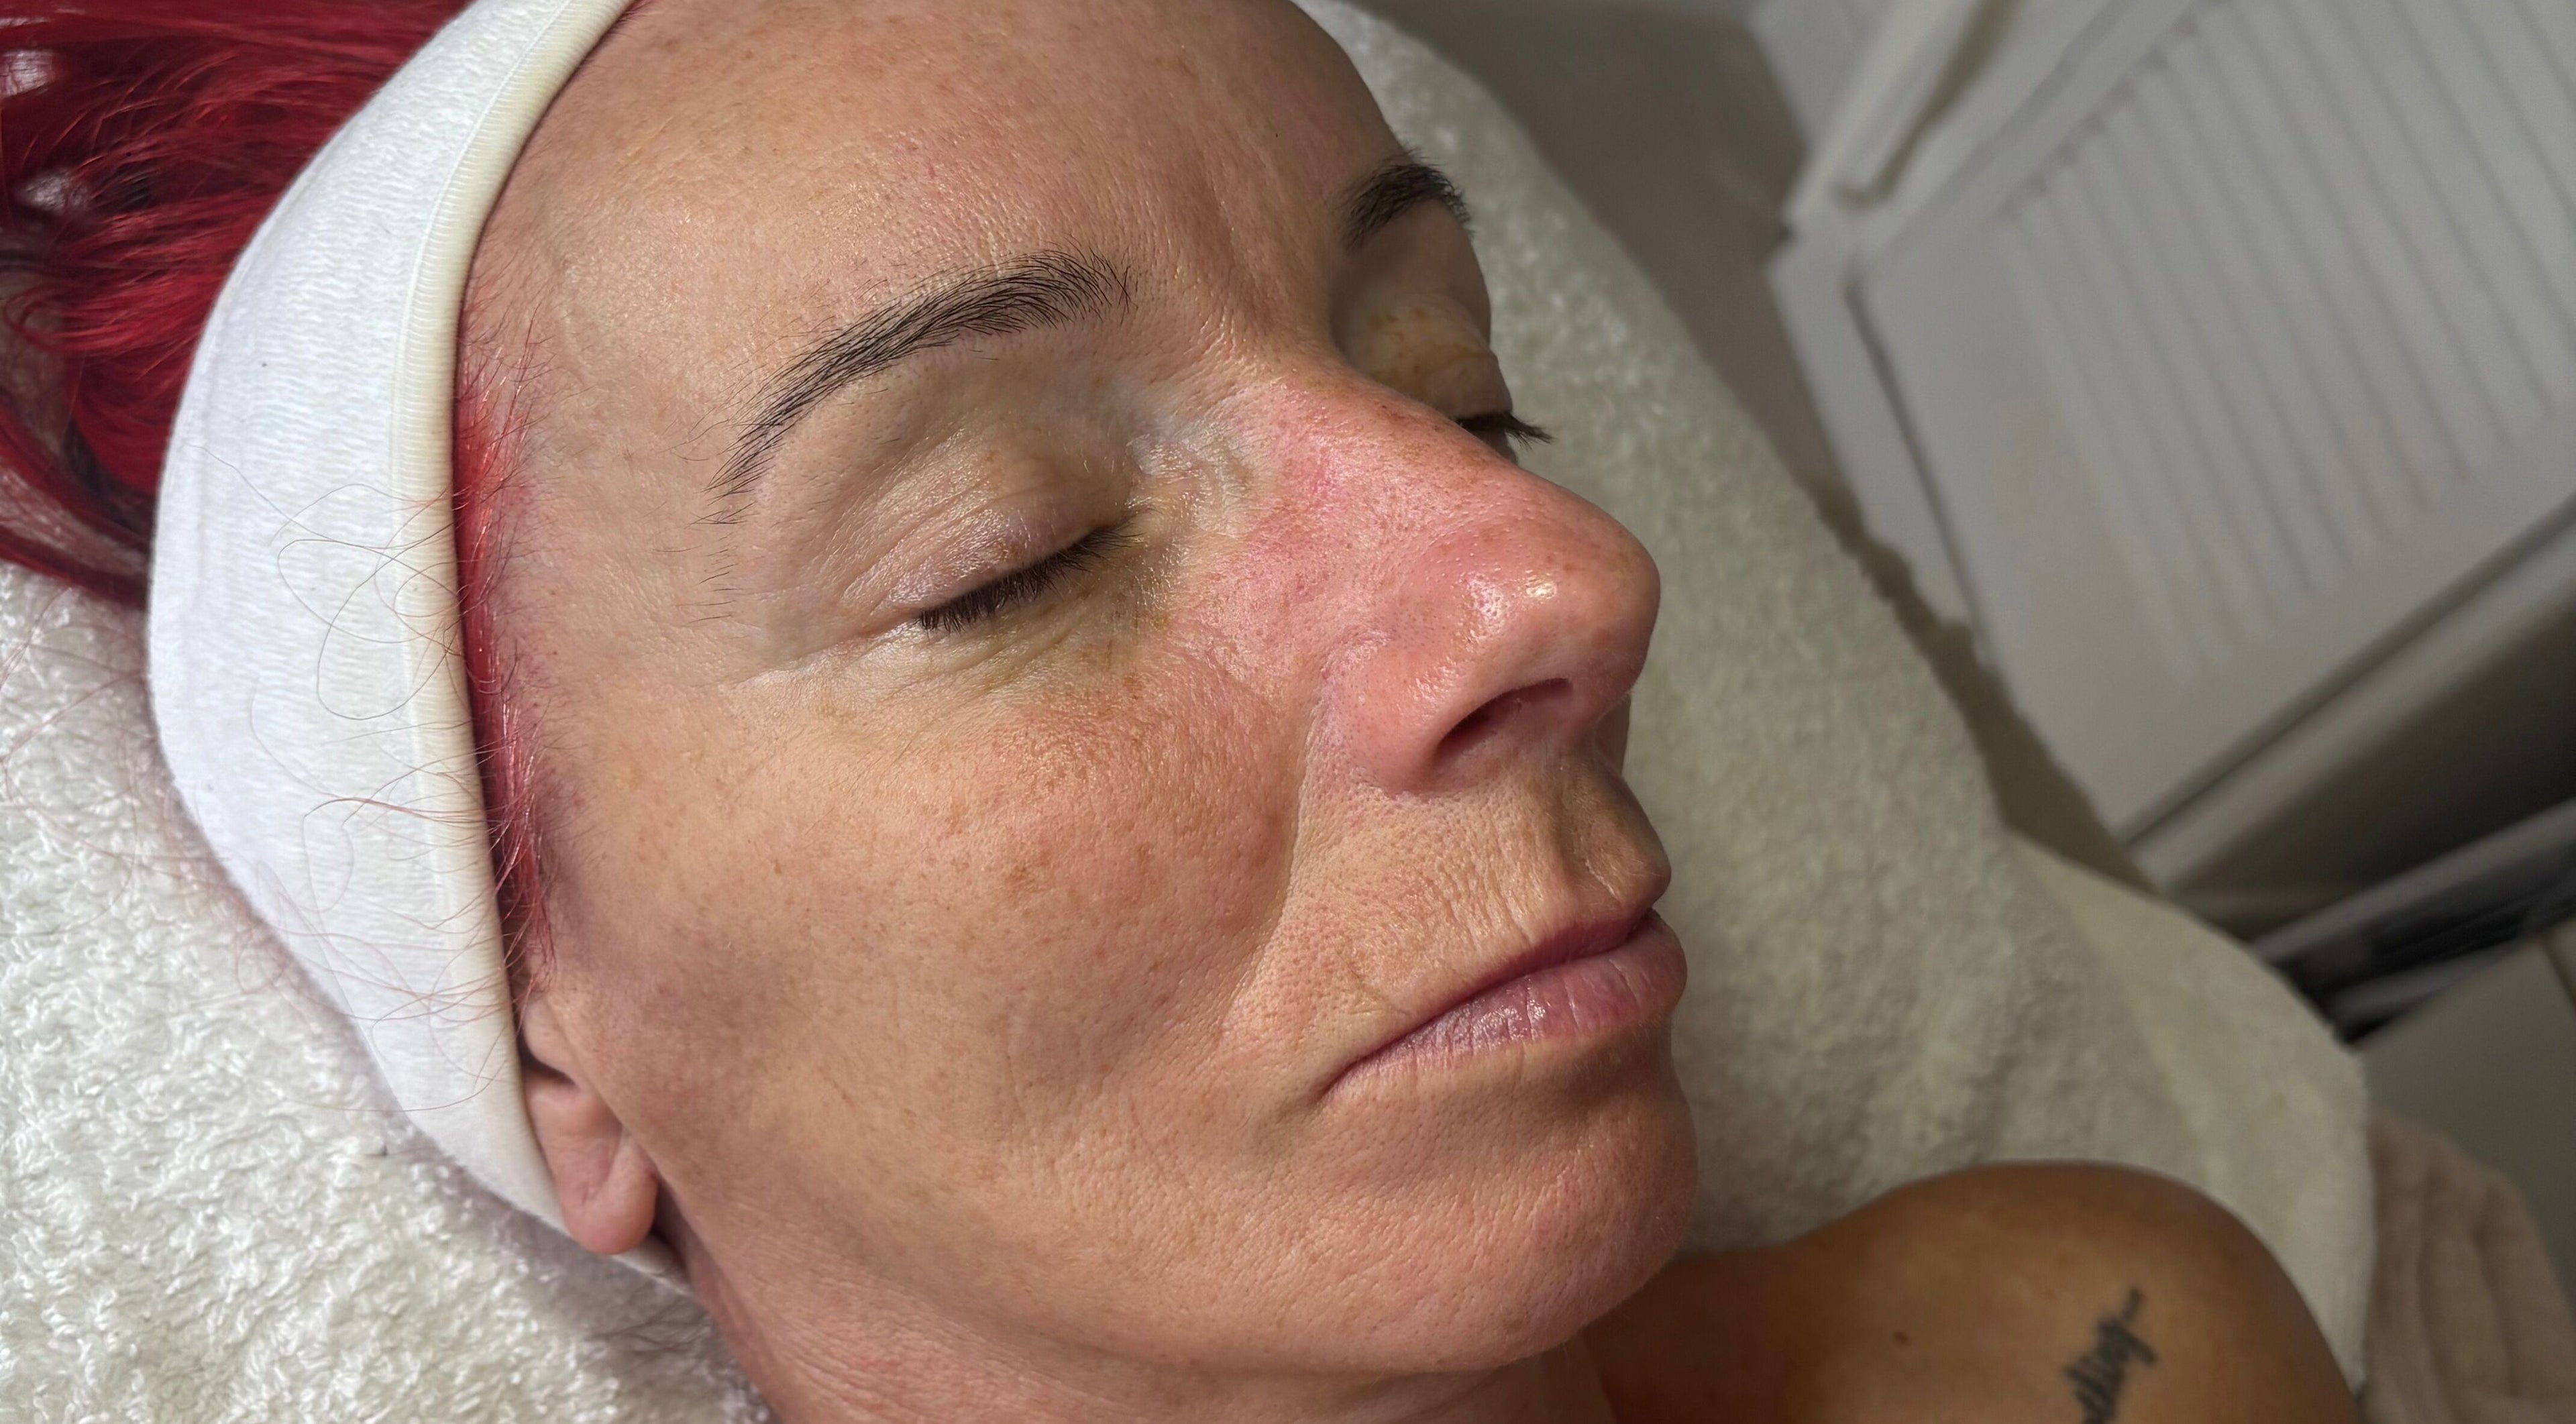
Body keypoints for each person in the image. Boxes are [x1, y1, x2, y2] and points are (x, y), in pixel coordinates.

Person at [0, 1, 2358, 1419]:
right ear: (549, 1044)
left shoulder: (2080, 1334)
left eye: (1468, 392)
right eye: (1009, 555)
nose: (1562, 579)